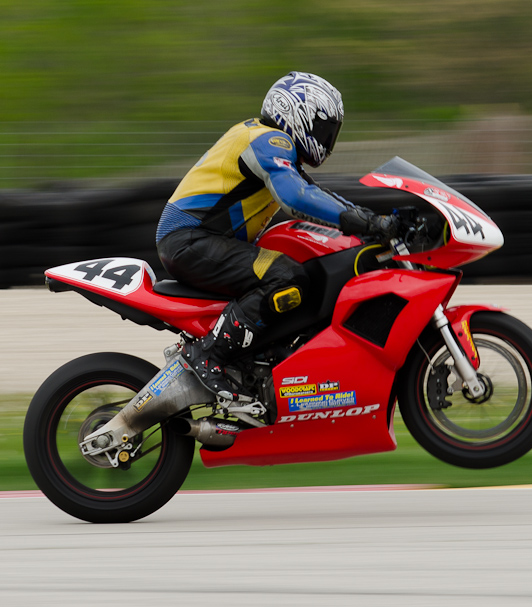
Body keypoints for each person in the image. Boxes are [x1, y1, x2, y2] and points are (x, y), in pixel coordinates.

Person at [155, 71, 397, 397]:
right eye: (323, 128)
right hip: (190, 239)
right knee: (286, 276)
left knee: (297, 268)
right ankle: (209, 357)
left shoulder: (271, 146)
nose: (327, 140)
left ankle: (252, 360)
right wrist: (370, 224)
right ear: (298, 114)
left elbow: (318, 196)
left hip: (200, 241)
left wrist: (370, 220)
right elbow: (298, 198)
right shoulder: (269, 139)